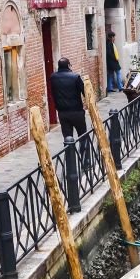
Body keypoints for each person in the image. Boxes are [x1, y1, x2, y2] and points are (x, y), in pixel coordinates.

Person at [48, 58, 86, 213]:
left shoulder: (53, 78)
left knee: (67, 139)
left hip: (62, 113)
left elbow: (53, 93)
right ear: (69, 65)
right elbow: (84, 91)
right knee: (83, 136)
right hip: (77, 111)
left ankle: (70, 162)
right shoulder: (75, 77)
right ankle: (85, 160)